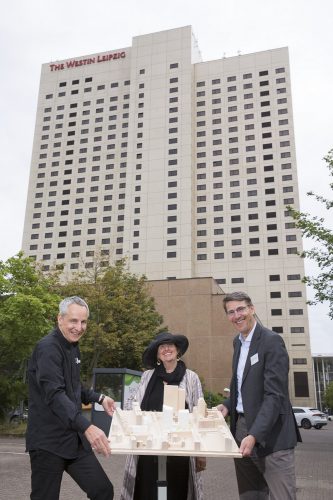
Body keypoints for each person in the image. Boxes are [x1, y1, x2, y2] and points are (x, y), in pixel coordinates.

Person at [26, 296, 115, 500]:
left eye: (83, 322)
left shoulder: (73, 346)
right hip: (48, 443)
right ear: (60, 319)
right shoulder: (48, 348)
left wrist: (100, 398)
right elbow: (55, 394)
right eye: (73, 321)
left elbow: (74, 387)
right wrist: (87, 426)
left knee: (102, 490)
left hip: (73, 440)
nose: (79, 327)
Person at [217, 291, 302, 500]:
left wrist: (255, 435)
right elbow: (240, 383)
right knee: (250, 496)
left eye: (241, 309)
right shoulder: (237, 343)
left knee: (282, 496)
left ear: (251, 309)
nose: (237, 315)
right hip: (241, 431)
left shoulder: (272, 341)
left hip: (272, 435)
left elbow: (275, 395)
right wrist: (228, 404)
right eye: (231, 312)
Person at [120, 331, 205, 500]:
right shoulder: (147, 376)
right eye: (162, 346)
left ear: (177, 350)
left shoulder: (191, 378)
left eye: (170, 345)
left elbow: (199, 413)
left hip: (179, 449)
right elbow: (133, 405)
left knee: (176, 490)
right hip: (148, 448)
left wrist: (200, 451)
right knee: (147, 490)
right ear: (157, 354)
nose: (166, 349)